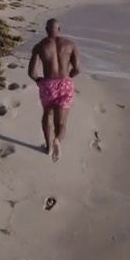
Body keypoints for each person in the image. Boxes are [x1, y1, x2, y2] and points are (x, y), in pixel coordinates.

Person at [27, 18, 80, 161]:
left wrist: (39, 81)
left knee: (47, 113)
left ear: (46, 30)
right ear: (59, 29)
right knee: (61, 123)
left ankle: (48, 146)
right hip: (65, 83)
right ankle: (58, 140)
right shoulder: (70, 45)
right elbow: (77, 69)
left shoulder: (39, 46)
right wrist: (69, 76)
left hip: (48, 84)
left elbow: (32, 72)